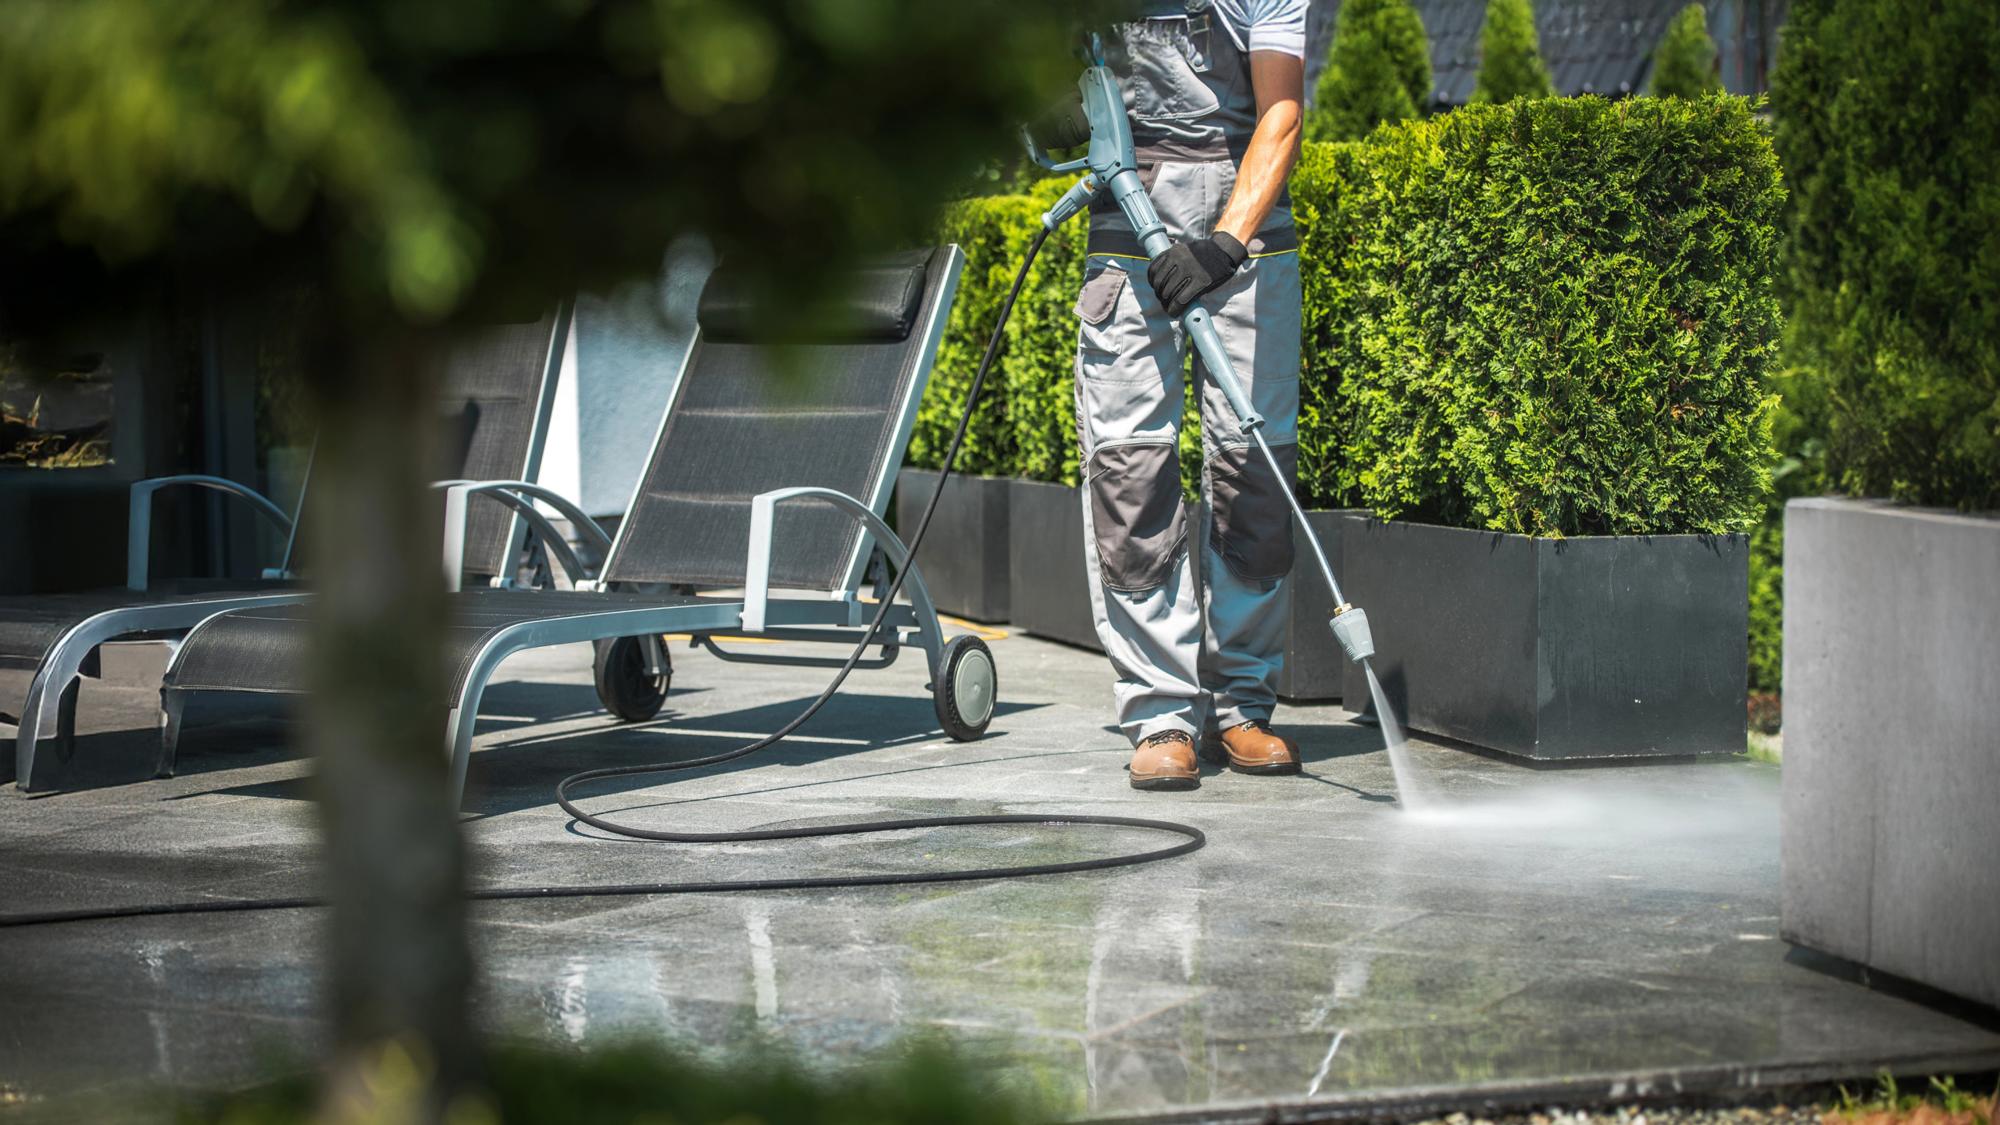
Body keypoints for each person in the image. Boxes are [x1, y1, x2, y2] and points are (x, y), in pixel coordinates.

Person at [1073, 0, 1307, 790]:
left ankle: (1243, 703)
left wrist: (1225, 243)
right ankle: (1161, 712)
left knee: (1255, 470)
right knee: (1130, 470)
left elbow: (1279, 112)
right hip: (1125, 230)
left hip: (1246, 238)